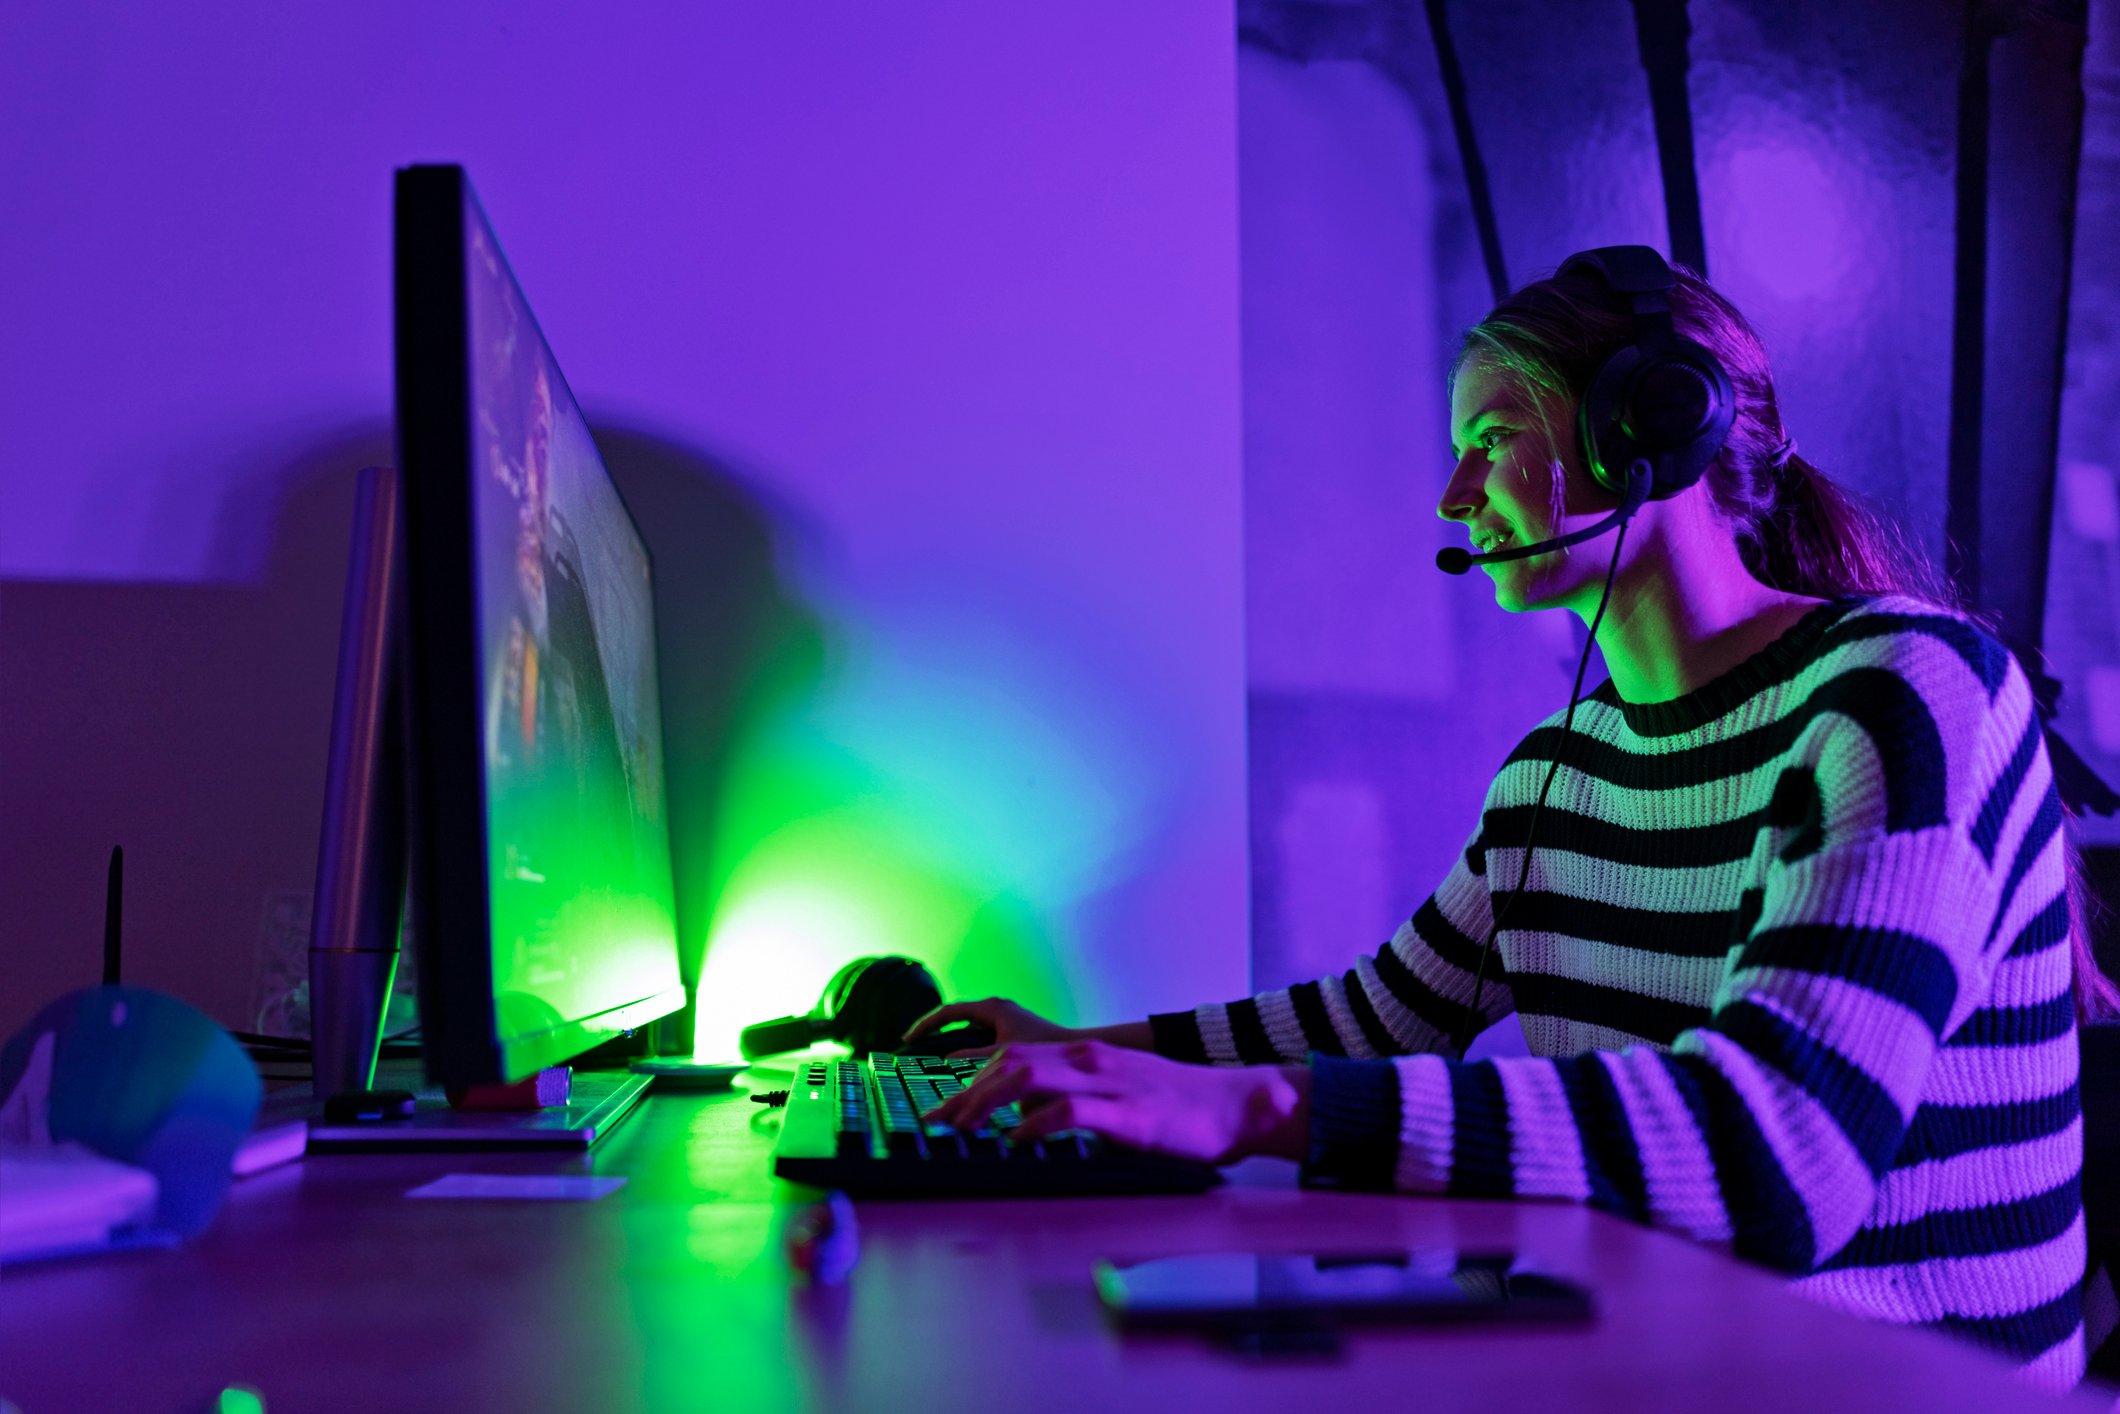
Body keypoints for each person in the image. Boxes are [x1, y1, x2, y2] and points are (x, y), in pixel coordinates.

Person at [911, 250, 2114, 1393]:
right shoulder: (1554, 772)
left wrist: (1263, 1107)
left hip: (1895, 1388)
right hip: (1663, 1361)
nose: (1451, 496)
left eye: (1489, 441)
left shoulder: (1903, 693)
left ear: (1646, 425)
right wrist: (1086, 1053)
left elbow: (1780, 1149)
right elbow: (1378, 1017)